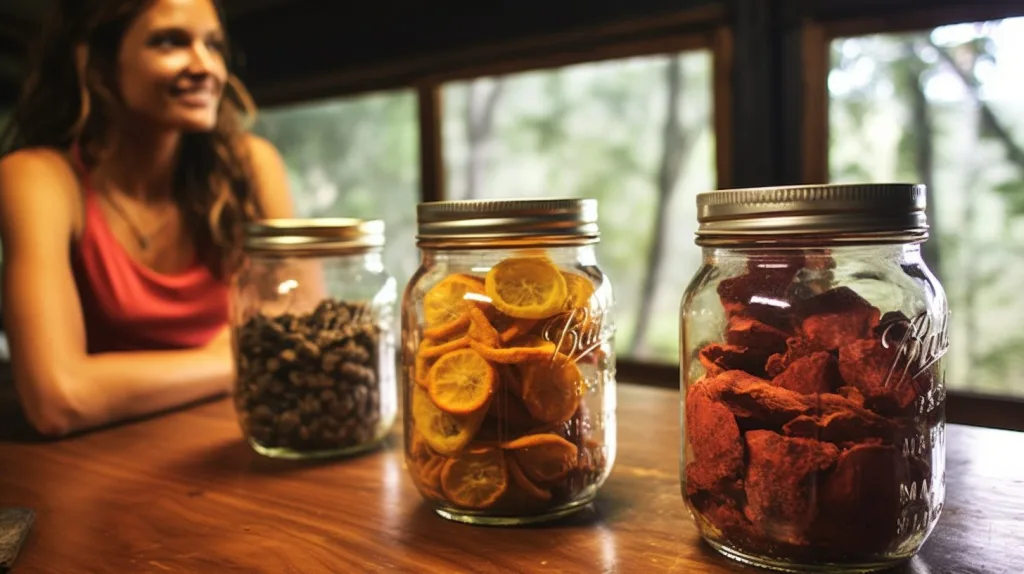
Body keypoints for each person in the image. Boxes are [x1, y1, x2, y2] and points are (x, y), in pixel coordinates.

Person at [0, 0, 295, 437]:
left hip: (240, 439)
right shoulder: (39, 178)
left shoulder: (252, 165)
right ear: (96, 63)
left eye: (213, 46)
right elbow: (57, 399)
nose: (206, 67)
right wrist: (239, 355)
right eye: (170, 42)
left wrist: (114, 381)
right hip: (98, 464)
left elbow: (306, 343)